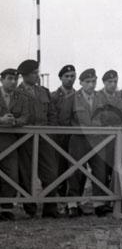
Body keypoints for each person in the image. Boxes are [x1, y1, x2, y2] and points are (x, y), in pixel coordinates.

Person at [59, 68, 113, 217]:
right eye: (87, 82)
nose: (91, 85)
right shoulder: (71, 98)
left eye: (93, 81)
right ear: (81, 82)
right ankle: (73, 204)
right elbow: (64, 120)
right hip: (79, 141)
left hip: (98, 141)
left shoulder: (102, 98)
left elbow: (107, 118)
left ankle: (99, 204)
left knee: (100, 170)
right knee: (75, 172)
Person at [15, 59, 59, 219]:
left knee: (51, 173)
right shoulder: (16, 93)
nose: (37, 76)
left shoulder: (44, 92)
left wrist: (51, 133)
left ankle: (50, 208)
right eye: (34, 73)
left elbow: (52, 114)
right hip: (24, 139)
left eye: (37, 72)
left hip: (45, 139)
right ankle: (30, 208)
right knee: (26, 174)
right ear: (25, 75)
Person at [92, 70, 122, 214]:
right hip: (101, 139)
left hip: (117, 140)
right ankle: (99, 203)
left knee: (115, 170)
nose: (113, 84)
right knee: (100, 171)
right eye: (110, 82)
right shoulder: (97, 96)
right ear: (104, 82)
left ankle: (113, 200)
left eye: (115, 82)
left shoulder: (120, 97)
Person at [0, 68, 31, 220]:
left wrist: (14, 122)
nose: (13, 82)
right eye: (9, 78)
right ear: (2, 80)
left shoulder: (21, 97)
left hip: (10, 142)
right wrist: (1, 120)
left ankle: (6, 208)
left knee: (11, 174)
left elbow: (25, 116)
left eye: (15, 79)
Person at [50, 65, 77, 197]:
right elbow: (51, 116)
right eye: (67, 76)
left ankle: (73, 199)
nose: (70, 79)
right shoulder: (53, 96)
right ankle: (59, 196)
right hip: (58, 137)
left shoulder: (79, 96)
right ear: (61, 78)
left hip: (74, 137)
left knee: (75, 167)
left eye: (72, 76)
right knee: (58, 168)